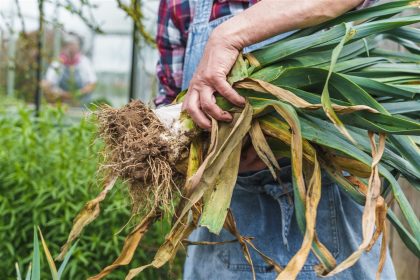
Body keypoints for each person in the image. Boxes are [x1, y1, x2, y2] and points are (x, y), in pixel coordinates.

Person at [156, 1, 396, 279]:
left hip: (329, 245)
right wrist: (200, 152)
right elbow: (171, 96)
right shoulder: (179, 4)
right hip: (222, 243)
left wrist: (227, 35)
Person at [41, 33, 97, 105]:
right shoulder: (58, 63)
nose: (71, 48)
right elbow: (49, 82)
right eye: (69, 45)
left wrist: (78, 94)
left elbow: (92, 83)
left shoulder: (84, 62)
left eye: (73, 45)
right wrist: (58, 93)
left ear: (78, 47)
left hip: (81, 104)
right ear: (64, 47)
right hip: (61, 103)